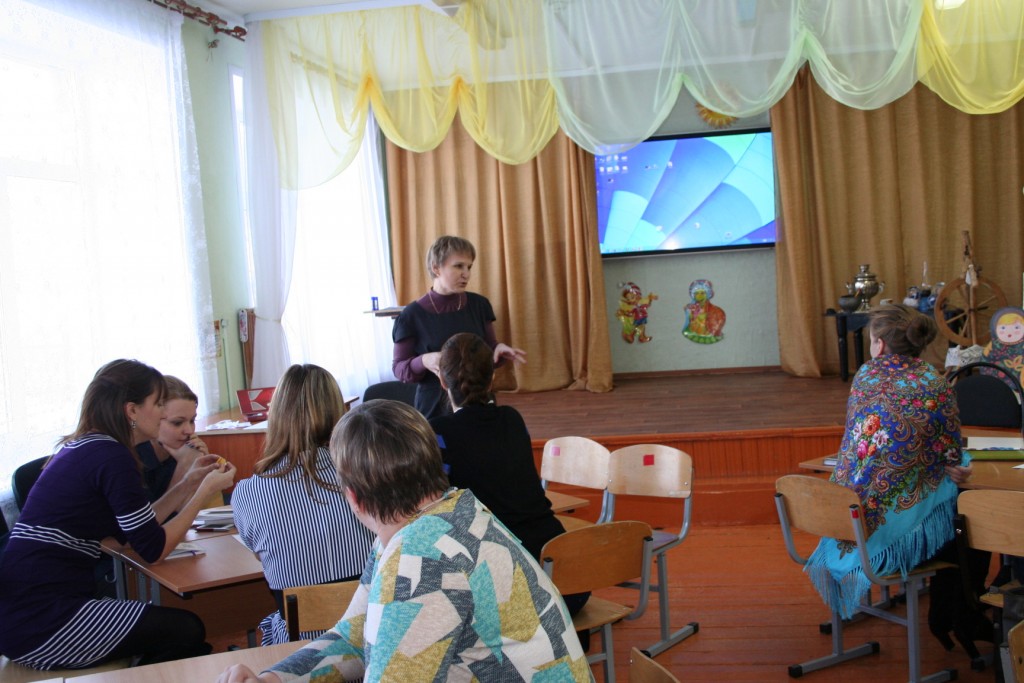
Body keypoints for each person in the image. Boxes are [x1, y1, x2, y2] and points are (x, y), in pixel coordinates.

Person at [217, 399, 590, 683]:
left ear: (354, 498)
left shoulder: (423, 557)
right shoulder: (438, 516)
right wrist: (274, 678)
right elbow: (354, 634)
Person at [0, 359, 235, 670]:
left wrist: (188, 484)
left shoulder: (90, 446)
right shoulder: (112, 455)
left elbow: (134, 531)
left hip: (22, 614)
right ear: (132, 410)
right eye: (158, 403)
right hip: (44, 621)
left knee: (184, 634)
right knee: (187, 630)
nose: (163, 413)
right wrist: (204, 491)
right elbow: (153, 549)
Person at [804, 304, 971, 620]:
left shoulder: (865, 375)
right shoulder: (933, 380)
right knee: (965, 512)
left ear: (879, 344)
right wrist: (954, 464)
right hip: (888, 527)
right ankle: (959, 613)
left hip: (844, 512)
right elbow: (951, 453)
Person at [231, 364, 374, 645]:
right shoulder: (370, 475)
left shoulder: (247, 493)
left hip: (301, 653)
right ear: (339, 411)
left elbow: (263, 555)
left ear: (275, 416)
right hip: (373, 639)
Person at [392, 235, 526, 419]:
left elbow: (488, 350)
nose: (466, 274)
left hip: (479, 403)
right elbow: (399, 369)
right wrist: (424, 361)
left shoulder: (479, 305)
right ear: (436, 268)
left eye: (469, 267)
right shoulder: (411, 315)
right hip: (435, 408)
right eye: (458, 266)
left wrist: (498, 351)